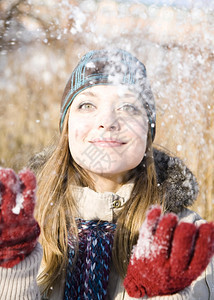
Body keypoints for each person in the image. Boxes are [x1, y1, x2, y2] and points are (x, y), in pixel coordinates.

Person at [0, 49, 213, 300]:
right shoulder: (17, 225)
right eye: (87, 105)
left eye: (128, 107)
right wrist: (12, 270)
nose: (107, 121)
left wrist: (162, 295)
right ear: (67, 126)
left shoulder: (186, 240)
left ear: (147, 130)